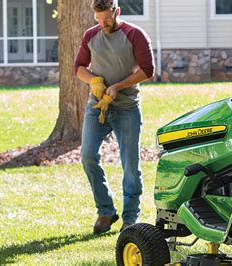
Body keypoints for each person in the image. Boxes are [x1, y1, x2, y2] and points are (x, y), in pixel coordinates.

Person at [74, 0, 155, 235]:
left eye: (107, 18)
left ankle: (130, 218)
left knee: (130, 164)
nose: (103, 24)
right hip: (97, 107)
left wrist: (118, 86)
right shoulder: (91, 35)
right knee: (88, 156)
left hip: (127, 107)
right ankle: (106, 210)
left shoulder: (134, 34)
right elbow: (79, 67)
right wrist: (94, 81)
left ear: (116, 11)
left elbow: (147, 69)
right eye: (98, 19)